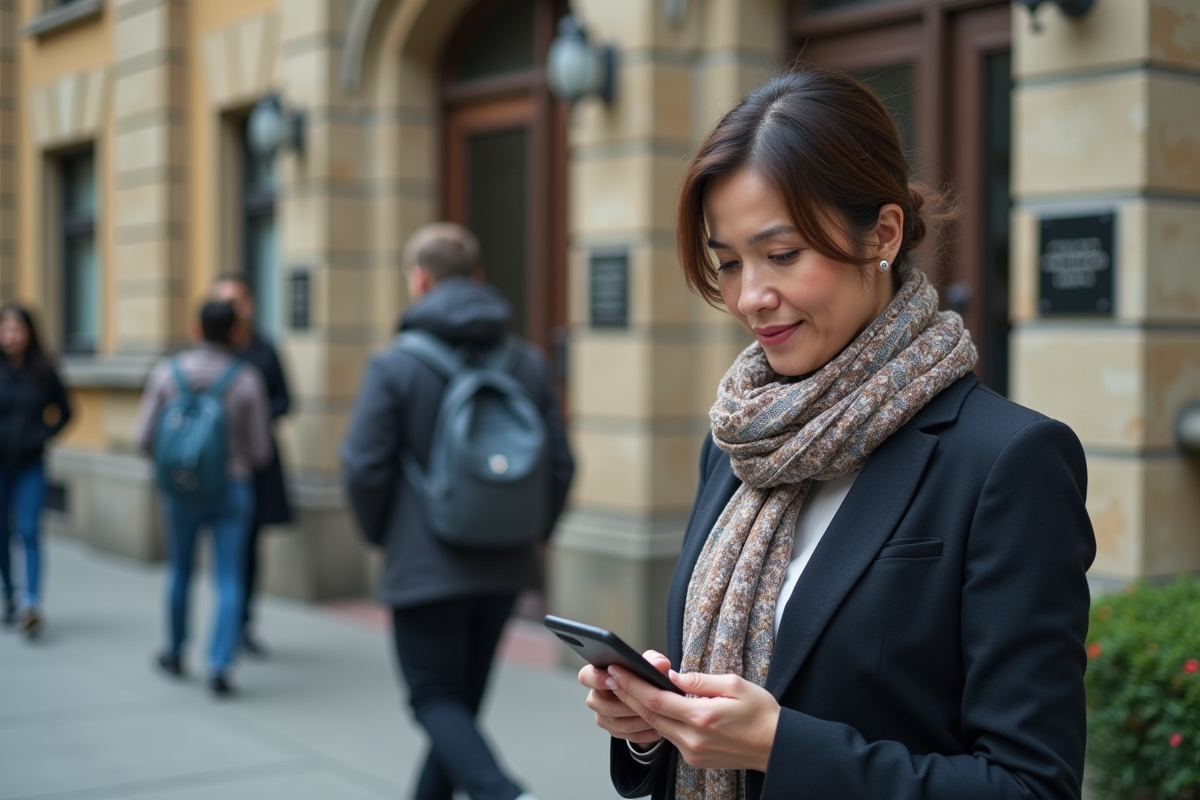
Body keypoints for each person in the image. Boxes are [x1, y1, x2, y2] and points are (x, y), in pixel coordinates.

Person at [577, 69, 1096, 800]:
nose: (750, 296)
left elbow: (1031, 786)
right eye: (728, 263)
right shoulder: (739, 442)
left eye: (782, 254)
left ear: (882, 235)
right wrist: (654, 728)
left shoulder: (1007, 461)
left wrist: (781, 747)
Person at [341, 222, 575, 800]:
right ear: (477, 278)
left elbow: (362, 467)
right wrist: (528, 532)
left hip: (424, 567)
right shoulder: (524, 360)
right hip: (506, 562)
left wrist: (385, 536)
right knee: (459, 706)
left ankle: (503, 792)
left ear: (418, 280)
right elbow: (561, 464)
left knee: (433, 698)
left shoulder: (394, 366)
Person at [133, 300, 272, 697]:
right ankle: (220, 665)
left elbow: (142, 438)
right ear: (235, 333)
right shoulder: (246, 379)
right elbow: (262, 450)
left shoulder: (167, 374)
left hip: (180, 489)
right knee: (229, 576)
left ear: (195, 328)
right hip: (232, 487)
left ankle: (175, 651)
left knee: (180, 571)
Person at [211, 274, 293, 657]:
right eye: (225, 301)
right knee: (225, 552)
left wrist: (253, 415)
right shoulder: (206, 352)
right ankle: (222, 628)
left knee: (249, 550)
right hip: (211, 466)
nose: (233, 308)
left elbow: (284, 401)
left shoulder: (263, 349)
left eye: (238, 300)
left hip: (254, 466)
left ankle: (242, 624)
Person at [0, 304, 72, 638]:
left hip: (30, 464)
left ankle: (31, 604)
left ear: (30, 332)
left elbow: (67, 412)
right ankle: (10, 596)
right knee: (3, 533)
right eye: (6, 328)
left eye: (17, 328)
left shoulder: (44, 371)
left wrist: (42, 436)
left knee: (29, 531)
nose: (11, 335)